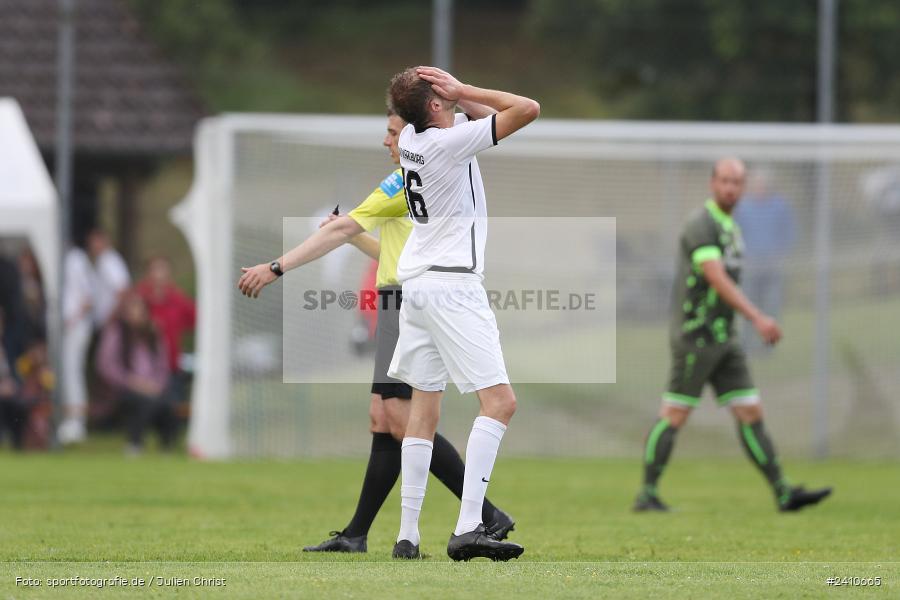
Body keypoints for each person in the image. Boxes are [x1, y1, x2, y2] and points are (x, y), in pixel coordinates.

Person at [237, 107, 515, 554]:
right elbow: (388, 248)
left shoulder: (412, 178)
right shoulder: (416, 178)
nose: (387, 142)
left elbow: (363, 233)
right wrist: (349, 236)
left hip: (409, 301)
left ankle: (481, 515)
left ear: (411, 134)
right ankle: (360, 533)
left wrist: (278, 266)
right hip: (398, 298)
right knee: (384, 419)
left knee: (403, 418)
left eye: (391, 132)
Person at [383, 66, 539, 561]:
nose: (451, 98)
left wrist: (451, 95)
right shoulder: (447, 144)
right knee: (500, 403)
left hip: (419, 285)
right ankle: (470, 526)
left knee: (423, 410)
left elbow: (490, 119)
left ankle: (407, 536)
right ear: (435, 107)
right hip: (452, 284)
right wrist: (465, 89)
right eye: (442, 95)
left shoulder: (412, 136)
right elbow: (526, 109)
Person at [634, 158, 832, 513]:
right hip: (696, 337)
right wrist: (757, 316)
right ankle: (647, 494)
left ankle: (784, 493)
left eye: (737, 182)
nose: (730, 187)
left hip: (725, 339)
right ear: (713, 183)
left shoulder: (731, 226)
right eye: (725, 180)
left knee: (750, 411)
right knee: (674, 415)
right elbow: (715, 276)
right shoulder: (702, 223)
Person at [96, 292, 174, 454]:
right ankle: (135, 443)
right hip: (123, 389)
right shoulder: (117, 333)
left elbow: (162, 366)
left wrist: (156, 385)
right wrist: (131, 382)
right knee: (142, 402)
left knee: (167, 401)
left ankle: (167, 445)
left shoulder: (153, 334)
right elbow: (106, 365)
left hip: (152, 388)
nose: (136, 314)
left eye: (140, 309)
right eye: (132, 309)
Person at [733, 169, 796, 354]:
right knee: (748, 306)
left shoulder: (779, 206)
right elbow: (734, 234)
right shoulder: (743, 208)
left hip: (772, 265)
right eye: (756, 184)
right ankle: (745, 346)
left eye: (763, 184)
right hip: (750, 267)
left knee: (771, 305)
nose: (759, 188)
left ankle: (768, 346)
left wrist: (781, 252)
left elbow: (789, 232)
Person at [135, 256, 196, 378]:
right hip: (141, 367)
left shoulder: (178, 299)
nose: (159, 275)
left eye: (163, 270)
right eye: (155, 269)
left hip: (171, 366)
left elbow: (196, 319)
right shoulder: (138, 297)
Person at [58, 244, 94, 444]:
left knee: (72, 372)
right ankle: (65, 418)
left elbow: (87, 297)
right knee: (64, 373)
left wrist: (73, 318)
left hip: (75, 327)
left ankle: (76, 421)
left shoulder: (76, 258)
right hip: (64, 327)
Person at [86, 228, 131, 329]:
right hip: (104, 321)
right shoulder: (101, 261)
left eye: (95, 242)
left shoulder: (109, 261)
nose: (93, 246)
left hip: (111, 321)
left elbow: (122, 291)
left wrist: (111, 317)